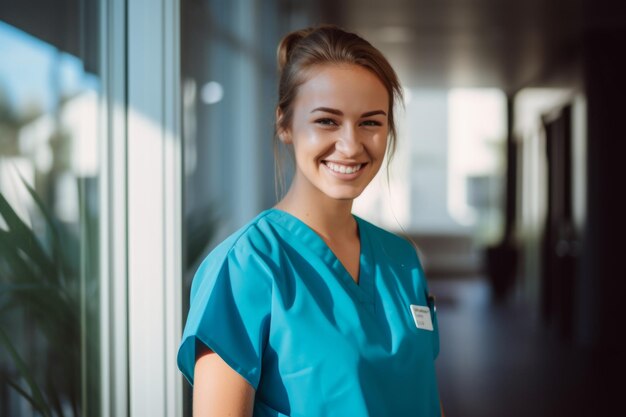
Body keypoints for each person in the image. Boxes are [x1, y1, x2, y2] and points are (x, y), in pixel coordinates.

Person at [178, 24, 444, 417]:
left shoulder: (401, 260)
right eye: (327, 121)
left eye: (371, 122)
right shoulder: (245, 266)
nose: (351, 145)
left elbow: (425, 400)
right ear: (284, 124)